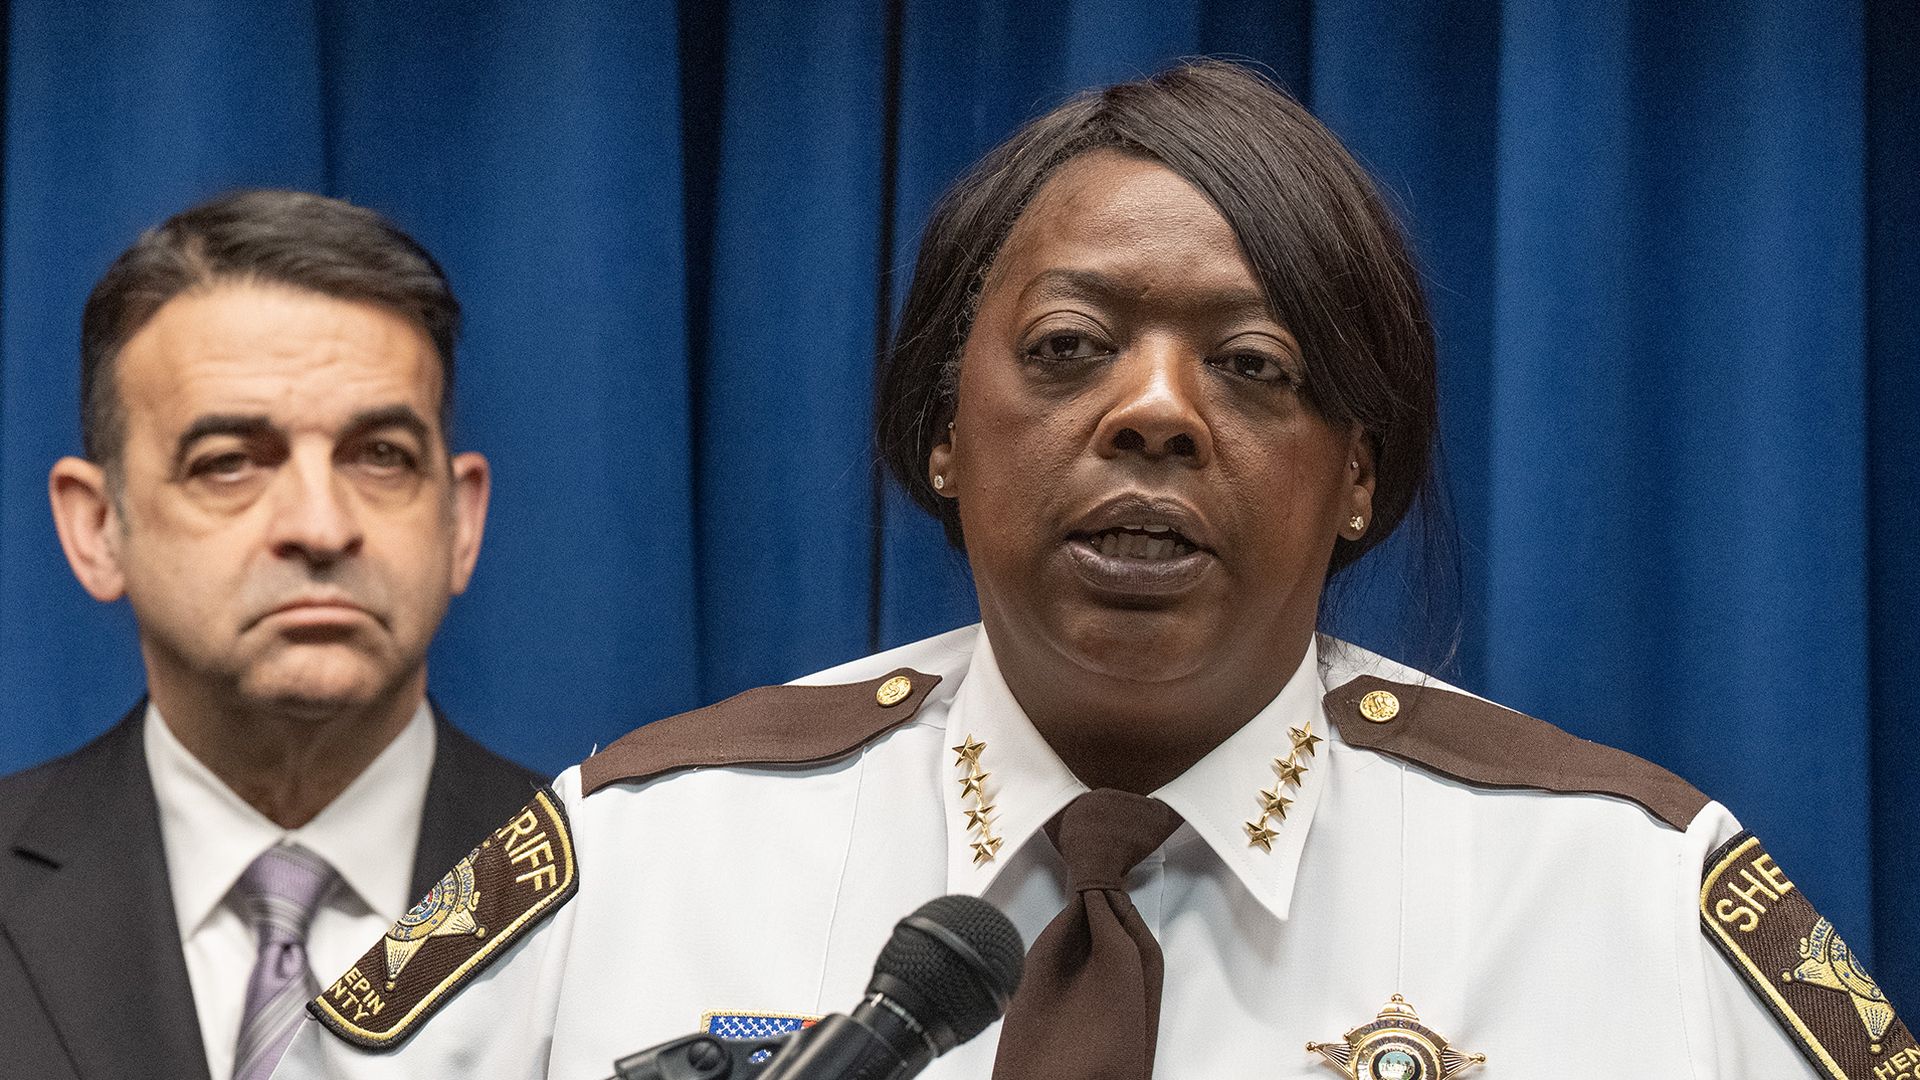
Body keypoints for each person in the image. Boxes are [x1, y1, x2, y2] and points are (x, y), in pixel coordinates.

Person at [277, 63, 1906, 1079]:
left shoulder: (1630, 895)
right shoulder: (643, 850)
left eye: (1258, 368)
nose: (1153, 413)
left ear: (1360, 473)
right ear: (940, 431)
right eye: (1067, 349)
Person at [0, 190, 545, 1080]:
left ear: (462, 521)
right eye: (230, 464)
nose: (322, 527)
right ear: (97, 526)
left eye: (381, 456)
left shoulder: (616, 895)